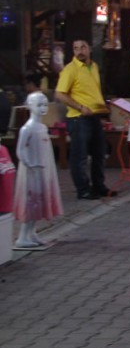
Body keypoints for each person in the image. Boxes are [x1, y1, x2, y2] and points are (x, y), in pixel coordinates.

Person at [54, 39, 116, 200]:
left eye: (83, 47)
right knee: (79, 156)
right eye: (76, 48)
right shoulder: (70, 69)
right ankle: (83, 189)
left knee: (99, 153)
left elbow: (92, 92)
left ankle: (99, 186)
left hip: (95, 116)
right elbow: (60, 94)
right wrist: (80, 107)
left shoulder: (94, 66)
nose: (79, 51)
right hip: (78, 118)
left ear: (90, 49)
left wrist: (104, 106)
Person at [13, 91, 64, 248]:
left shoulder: (42, 127)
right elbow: (20, 149)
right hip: (32, 170)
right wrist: (29, 164)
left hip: (43, 169)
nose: (43, 108)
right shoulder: (27, 128)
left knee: (39, 201)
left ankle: (32, 233)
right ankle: (23, 236)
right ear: (30, 106)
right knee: (31, 203)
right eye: (39, 105)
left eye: (45, 105)